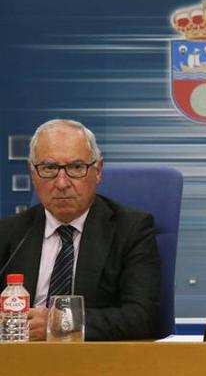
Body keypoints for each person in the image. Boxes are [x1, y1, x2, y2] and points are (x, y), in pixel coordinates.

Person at [0, 119, 161, 341]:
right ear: (32, 172)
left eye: (76, 167)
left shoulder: (130, 230)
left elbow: (142, 318)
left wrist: (59, 323)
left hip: (97, 366)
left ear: (98, 171)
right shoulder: (9, 233)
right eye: (49, 168)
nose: (62, 182)